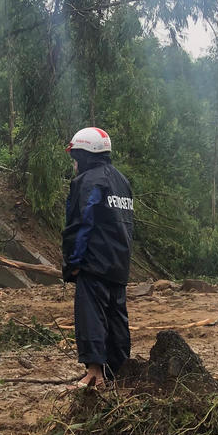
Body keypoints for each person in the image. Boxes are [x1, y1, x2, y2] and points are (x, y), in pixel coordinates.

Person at [61, 127, 134, 389]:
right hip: (118, 264)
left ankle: (95, 373)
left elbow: (81, 224)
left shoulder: (88, 181)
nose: (74, 165)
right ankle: (120, 374)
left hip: (93, 263)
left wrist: (73, 263)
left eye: (75, 158)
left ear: (85, 154)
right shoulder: (121, 181)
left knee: (91, 316)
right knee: (116, 319)